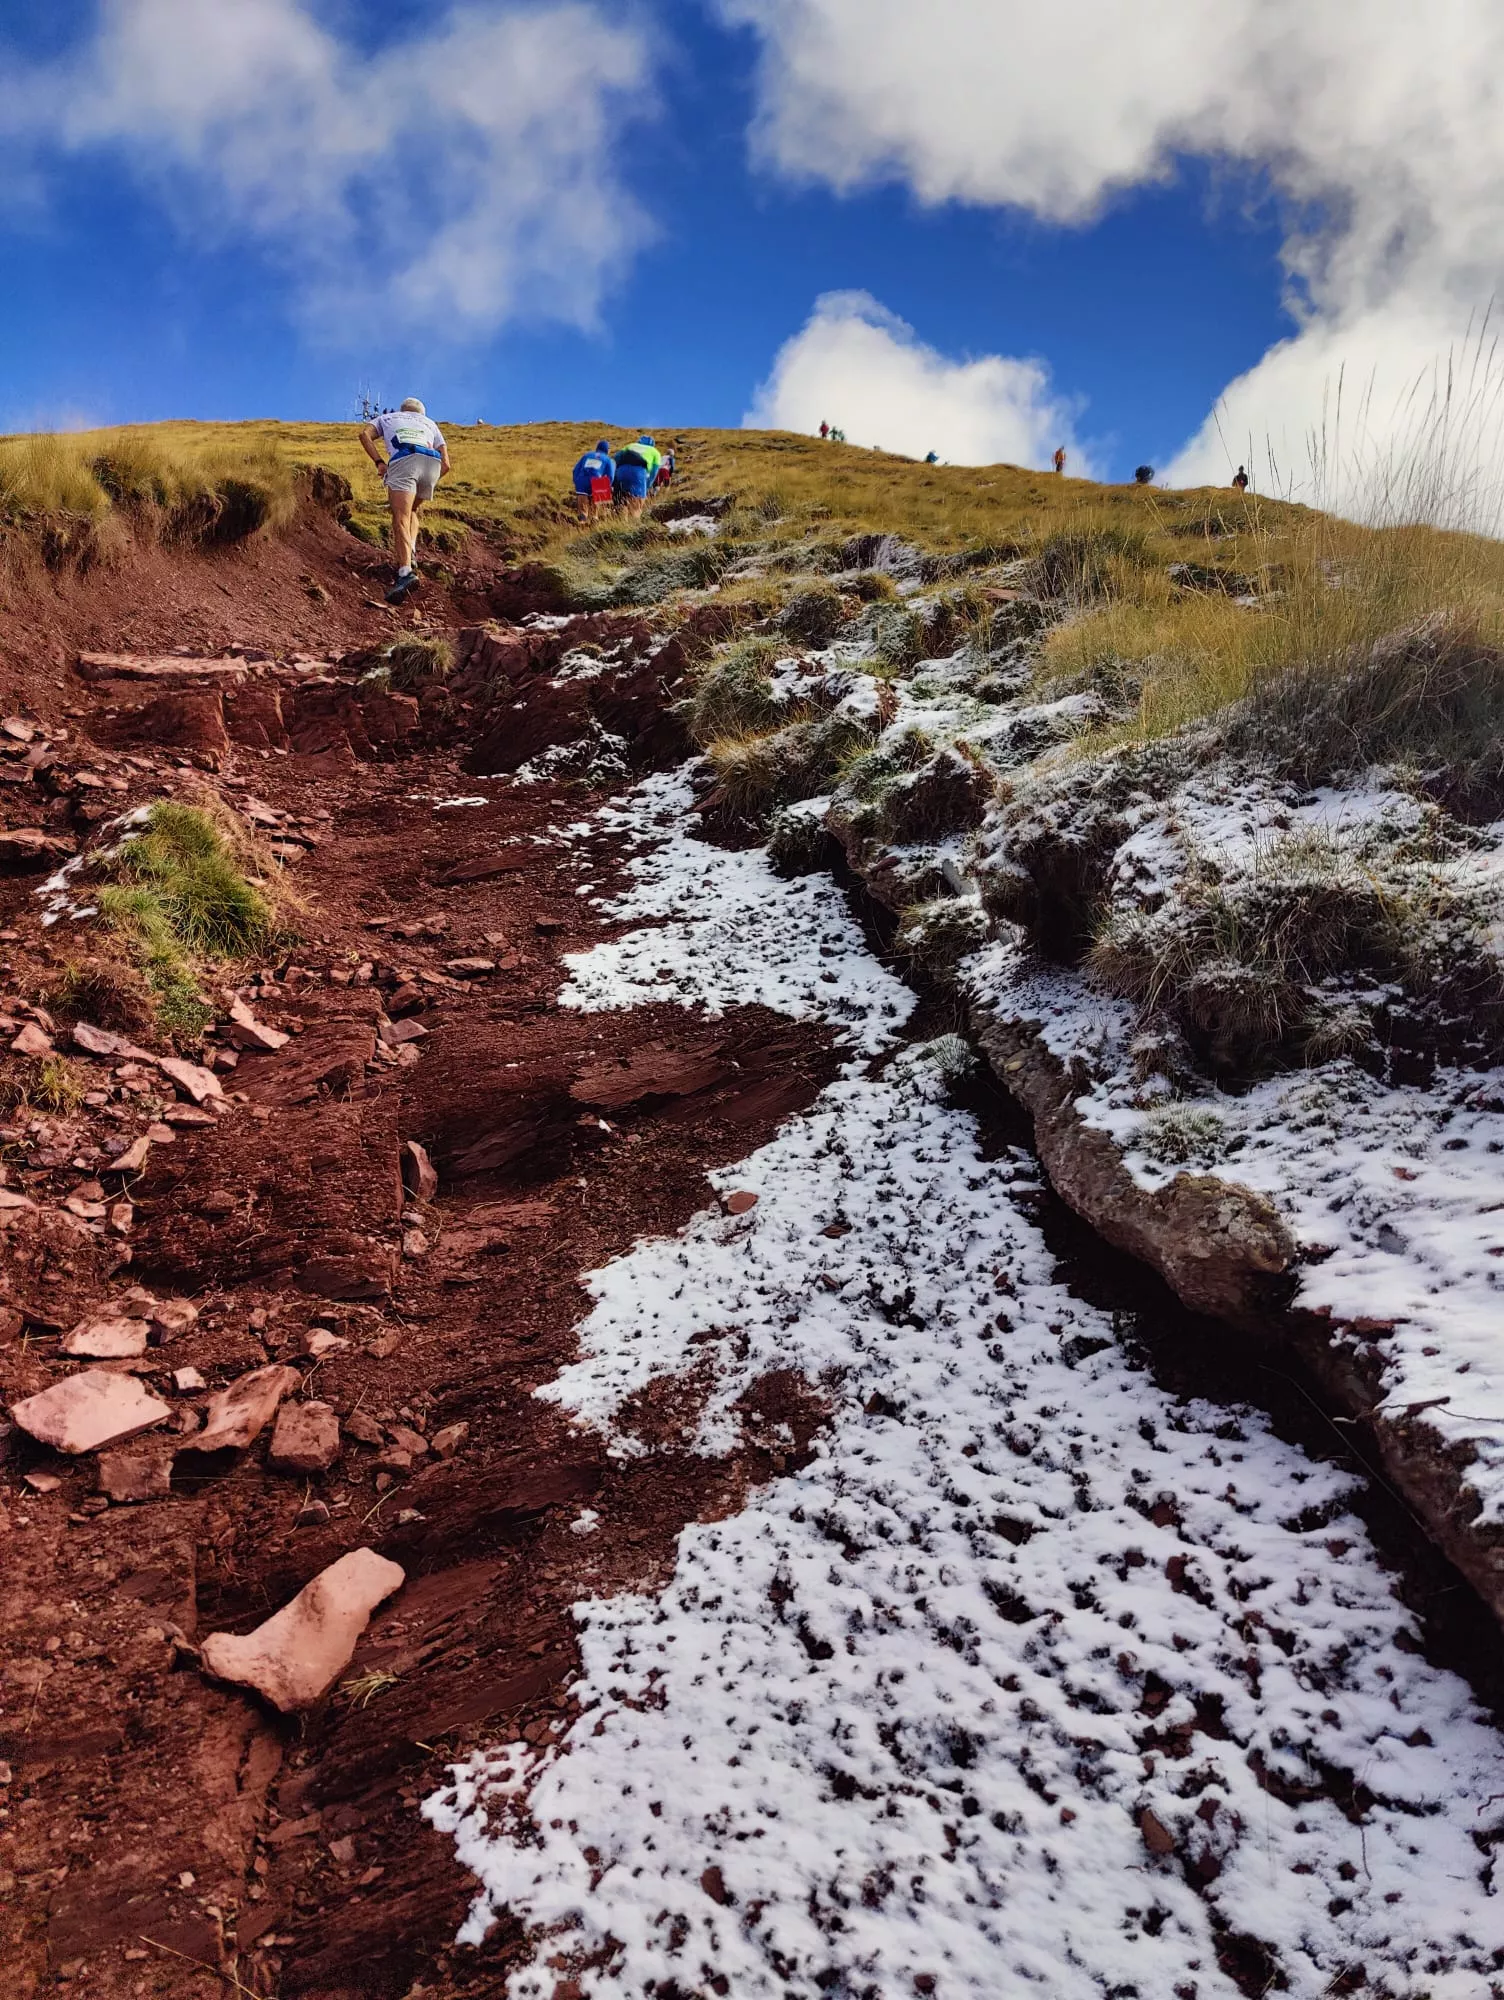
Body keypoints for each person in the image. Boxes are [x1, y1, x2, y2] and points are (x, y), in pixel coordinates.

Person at [359, 397, 450, 603]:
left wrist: (380, 463)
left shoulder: (387, 417)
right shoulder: (430, 423)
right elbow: (447, 464)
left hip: (405, 457)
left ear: (403, 410)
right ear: (421, 413)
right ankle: (412, 554)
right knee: (412, 511)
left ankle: (405, 573)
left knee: (400, 516)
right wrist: (432, 479)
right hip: (432, 463)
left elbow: (364, 435)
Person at [613, 433, 662, 518]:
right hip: (638, 473)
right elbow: (654, 472)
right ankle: (632, 527)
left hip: (621, 471)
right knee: (636, 506)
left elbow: (616, 457)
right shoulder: (655, 452)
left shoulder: (631, 445)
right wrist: (647, 486)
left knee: (621, 502)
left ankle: (621, 522)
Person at [572, 438, 617, 522]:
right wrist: (607, 487)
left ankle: (582, 522)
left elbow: (575, 470)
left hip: (582, 479)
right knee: (594, 509)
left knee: (582, 508)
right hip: (598, 480)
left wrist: (576, 481)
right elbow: (610, 476)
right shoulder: (608, 460)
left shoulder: (587, 455)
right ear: (607, 450)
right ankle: (594, 519)